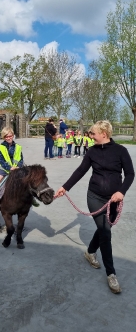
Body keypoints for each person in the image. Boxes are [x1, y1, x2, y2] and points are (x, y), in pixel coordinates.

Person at [54, 120, 135, 294]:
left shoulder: (121, 151)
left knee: (104, 228)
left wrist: (121, 192)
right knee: (106, 232)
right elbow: (80, 171)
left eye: (93, 133)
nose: (90, 136)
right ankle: (111, 273)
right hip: (95, 196)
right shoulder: (92, 151)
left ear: (103, 134)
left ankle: (90, 252)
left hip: (114, 200)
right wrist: (64, 187)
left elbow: (130, 174)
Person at [0, 127, 24, 211]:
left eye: (10, 136)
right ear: (3, 137)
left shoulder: (18, 147)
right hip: (5, 170)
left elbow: (21, 158)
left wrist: (19, 166)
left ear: (13, 135)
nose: (8, 138)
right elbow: (1, 160)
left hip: (16, 169)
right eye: (6, 137)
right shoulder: (1, 147)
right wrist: (9, 168)